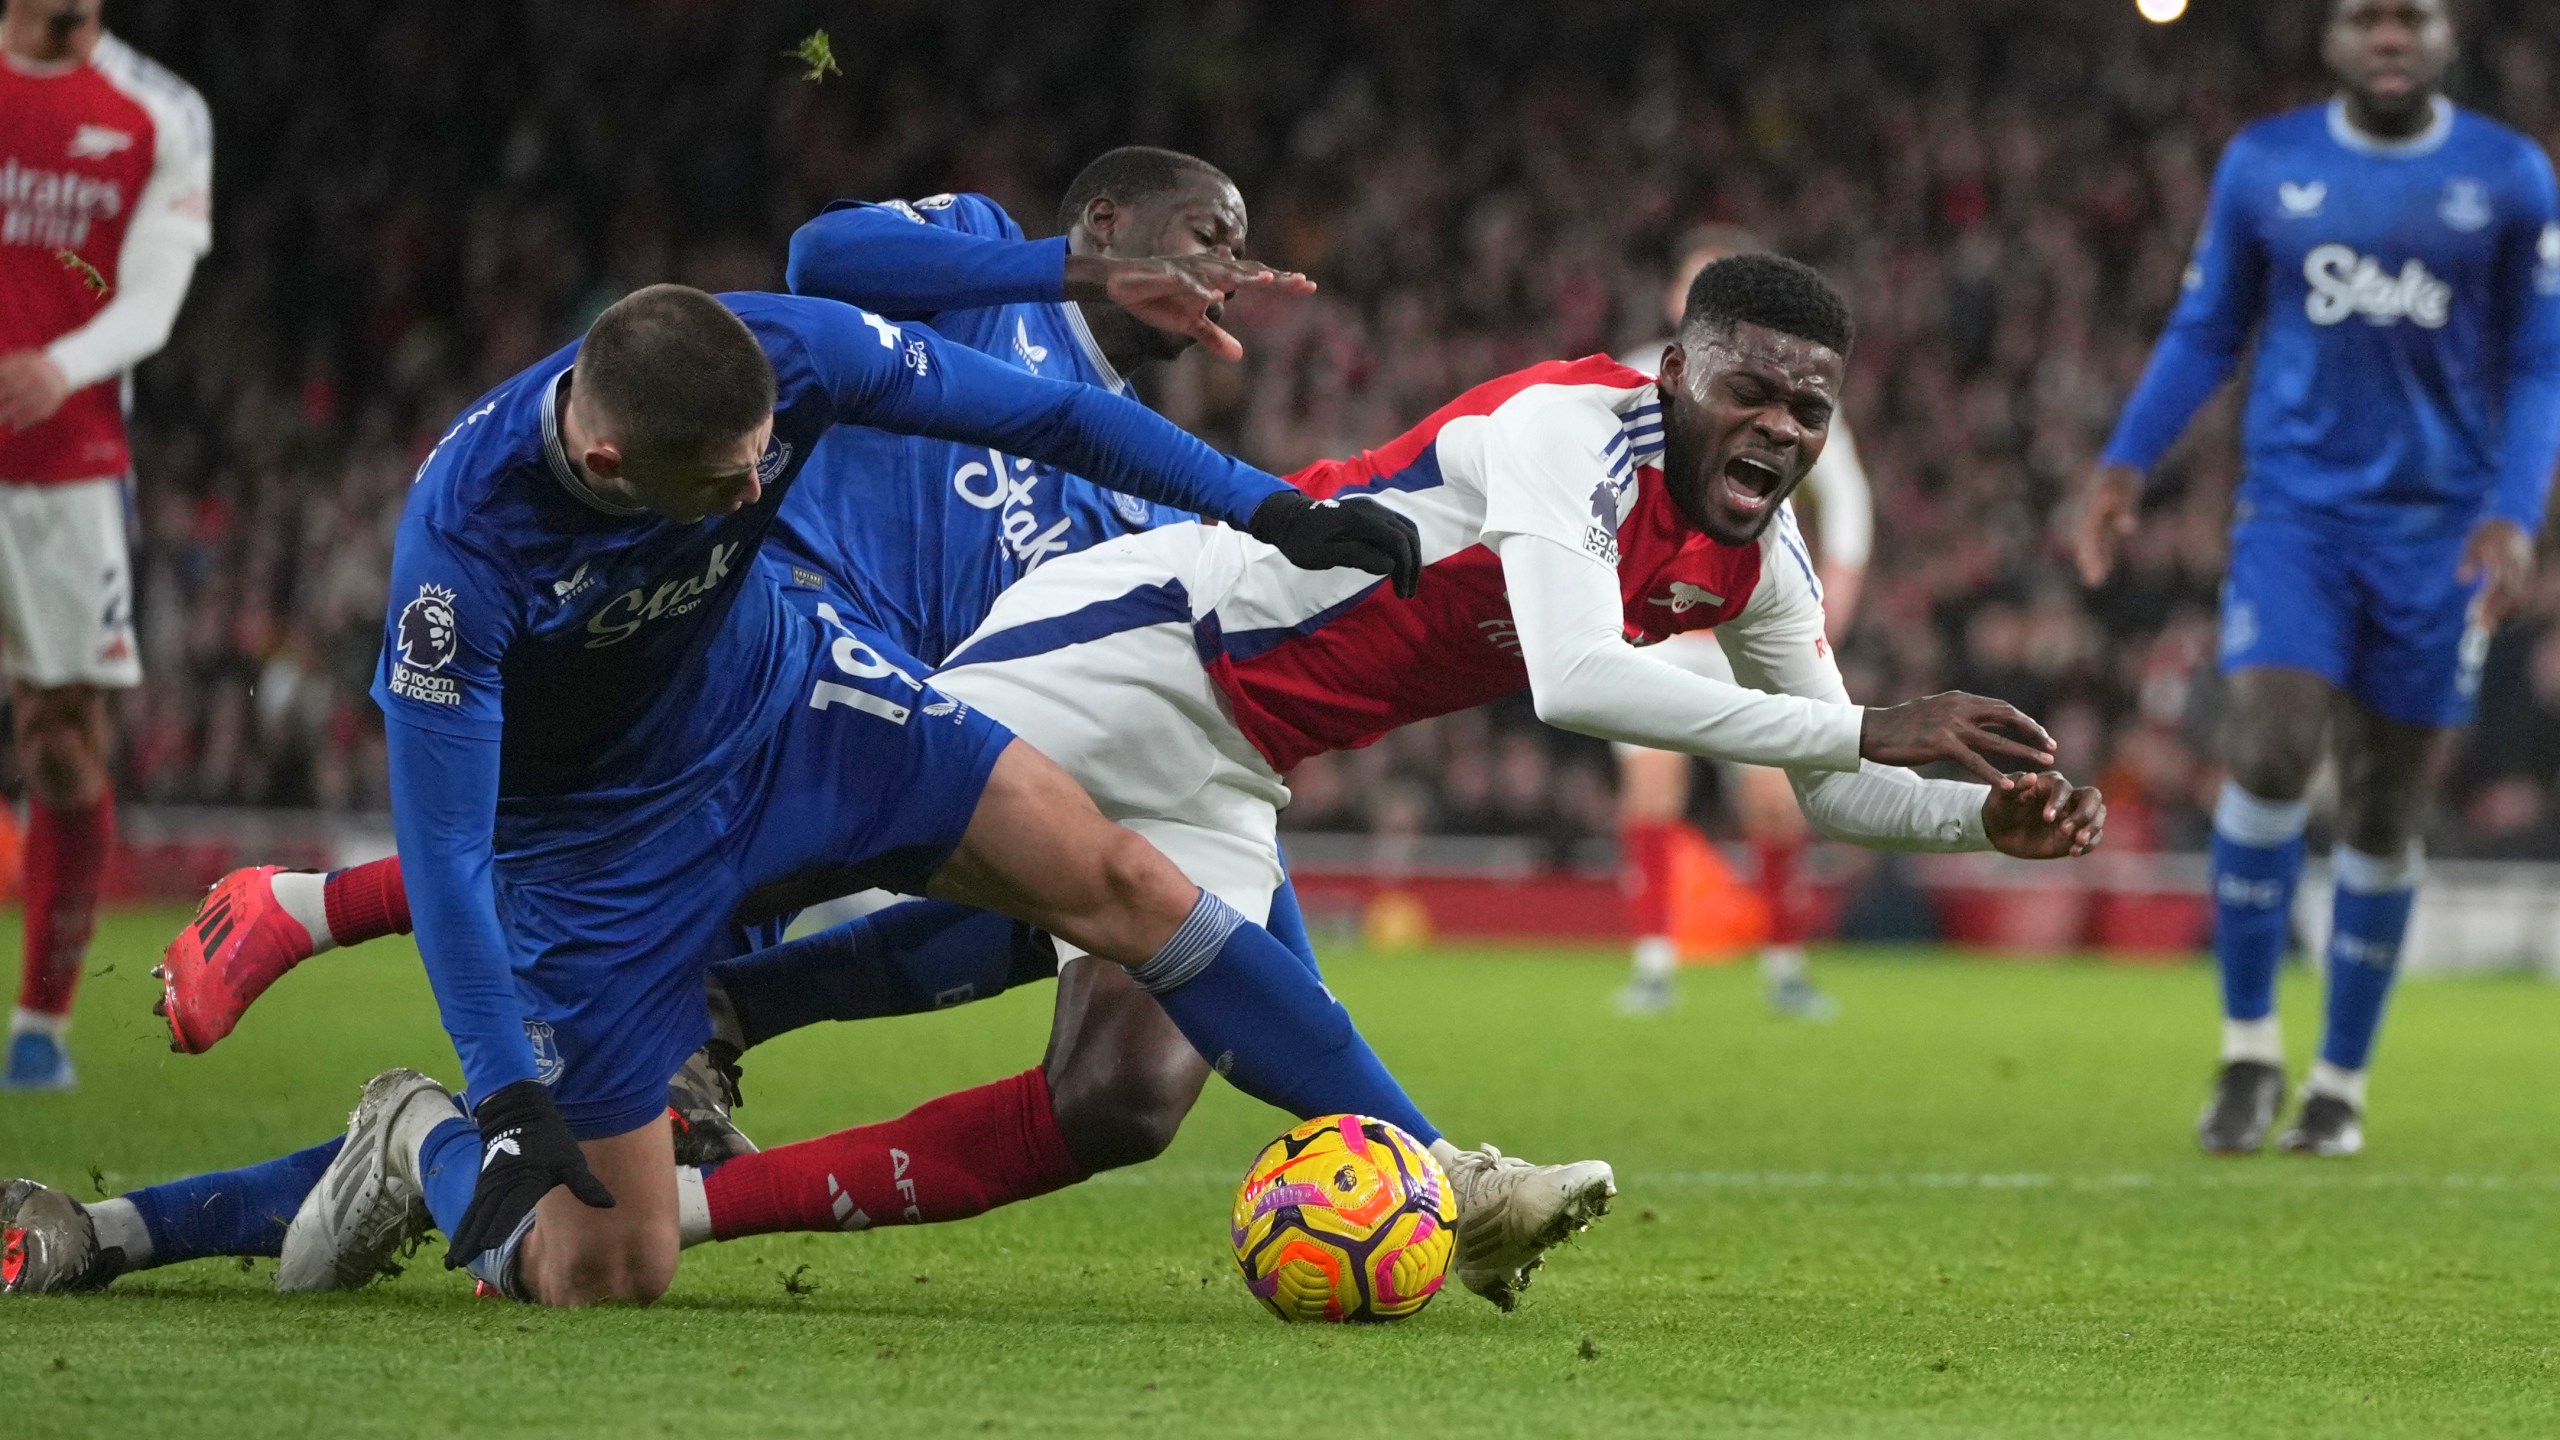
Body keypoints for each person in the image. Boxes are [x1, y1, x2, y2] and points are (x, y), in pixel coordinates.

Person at [448, 254, 2096, 1302]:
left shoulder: (1762, 558)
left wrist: (1984, 822)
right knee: (797, 835)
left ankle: (693, 1183)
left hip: (1244, 756)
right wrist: (1872, 723)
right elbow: (1590, 681)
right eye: (1753, 390)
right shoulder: (1559, 433)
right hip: (1153, 639)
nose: (1782, 431)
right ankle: (417, 1040)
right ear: (1676, 371)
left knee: (1117, 1105)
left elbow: (1838, 800)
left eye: (1811, 410)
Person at [7, 283, 1623, 1311]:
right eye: (727, 483)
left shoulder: (779, 357)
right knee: (607, 1269)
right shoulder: (463, 554)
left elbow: (1053, 410)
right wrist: (500, 1101)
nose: (760, 480)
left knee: (1123, 884)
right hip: (601, 847)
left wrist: (1268, 509)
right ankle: (410, 1134)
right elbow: (445, 850)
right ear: (614, 460)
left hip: (808, 703)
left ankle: (1447, 1171)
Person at [154, 146, 1306, 1057]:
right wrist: (1073, 274)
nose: (1226, 265)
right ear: (1107, 219)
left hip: (899, 692)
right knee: (699, 862)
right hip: (771, 612)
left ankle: (397, 1059)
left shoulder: (1132, 498)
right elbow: (823, 257)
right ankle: (389, 992)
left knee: (698, 947)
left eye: (1241, 253)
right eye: (1207, 233)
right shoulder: (981, 256)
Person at [2067, 0, 2560, 1157]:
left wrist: (2511, 514)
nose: (2389, 36)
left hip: (2436, 535)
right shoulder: (2266, 163)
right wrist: (2127, 459)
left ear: (2448, 36)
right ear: (2332, 38)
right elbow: (2204, 330)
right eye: (2365, 17)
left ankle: (2338, 1082)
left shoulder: (2508, 175)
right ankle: (2247, 1053)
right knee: (2273, 738)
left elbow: (2540, 364)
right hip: (2295, 516)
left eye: (2412, 17)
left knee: (2386, 805)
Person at [0, 0, 210, 1090]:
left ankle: (40, 1027)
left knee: (58, 741)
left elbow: (155, 293)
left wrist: (62, 363)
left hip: (62, 469)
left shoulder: (159, 111)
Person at [1607, 227, 1873, 1019]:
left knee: (1775, 800)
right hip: (1654, 630)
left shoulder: (1787, 386)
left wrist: (1834, 603)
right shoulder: (1631, 374)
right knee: (1653, 789)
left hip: (1740, 625)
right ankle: (1655, 961)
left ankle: (1784, 962)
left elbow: (1849, 500)